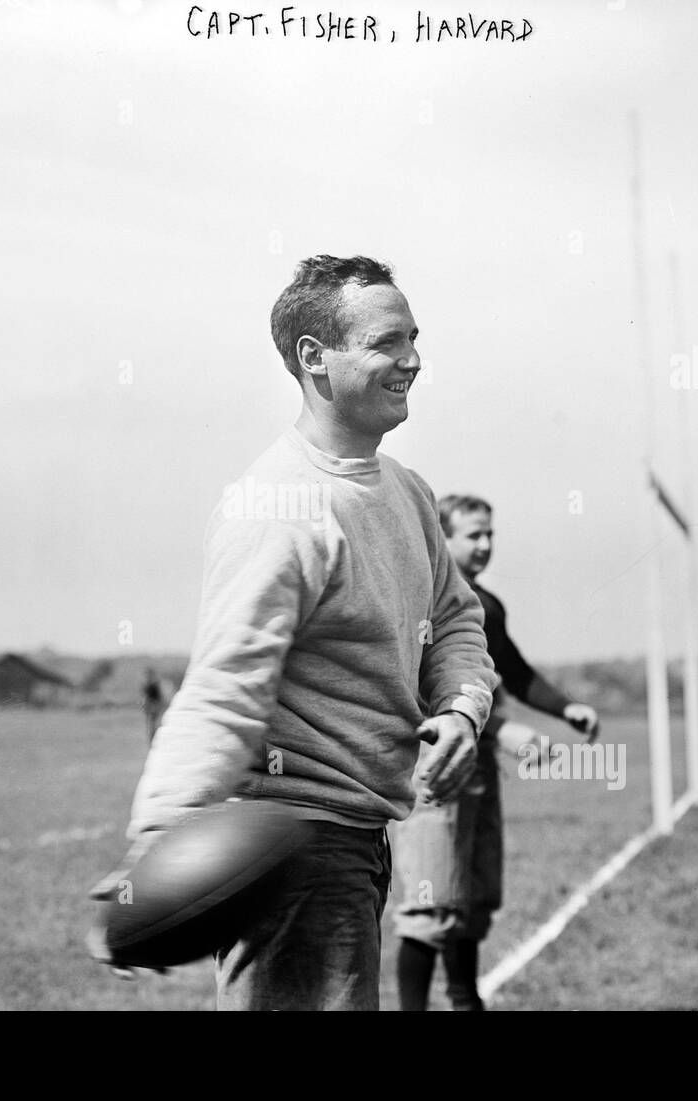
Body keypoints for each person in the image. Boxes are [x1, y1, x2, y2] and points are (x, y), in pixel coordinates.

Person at [89, 256, 500, 1011]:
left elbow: (455, 619)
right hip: (294, 854)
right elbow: (223, 687)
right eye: (386, 342)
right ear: (314, 357)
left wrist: (459, 710)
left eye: (413, 338)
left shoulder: (407, 493)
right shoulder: (276, 509)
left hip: (362, 840)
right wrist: (161, 838)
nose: (411, 359)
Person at [393, 494, 601, 1011]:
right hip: (434, 771)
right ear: (441, 537)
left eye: (491, 534)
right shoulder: (416, 599)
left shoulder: (486, 606)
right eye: (473, 535)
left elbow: (516, 671)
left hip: (479, 773)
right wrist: (501, 730)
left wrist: (566, 708)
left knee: (471, 900)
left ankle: (467, 1002)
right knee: (430, 903)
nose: (485, 545)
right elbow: (423, 691)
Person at [140, 666, 164, 742]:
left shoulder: (152, 685)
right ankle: (152, 739)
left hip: (152, 706)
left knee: (152, 723)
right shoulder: (151, 684)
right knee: (151, 723)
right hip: (151, 706)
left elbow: (147, 697)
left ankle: (152, 738)